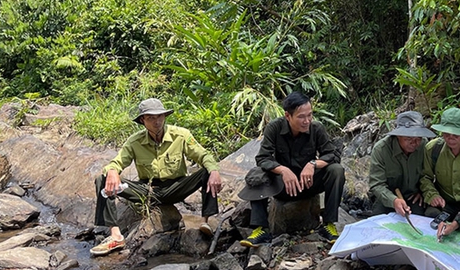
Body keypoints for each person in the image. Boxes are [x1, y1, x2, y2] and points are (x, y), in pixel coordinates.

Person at [91, 98, 223, 256]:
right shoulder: (134, 141)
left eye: (160, 116)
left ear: (165, 116)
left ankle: (205, 222)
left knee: (208, 171)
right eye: (151, 118)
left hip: (176, 187)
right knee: (102, 179)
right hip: (148, 190)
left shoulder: (180, 135)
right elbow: (118, 162)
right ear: (142, 120)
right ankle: (116, 236)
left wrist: (214, 171)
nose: (157, 121)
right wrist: (112, 171)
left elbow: (203, 155)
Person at [239, 92, 344, 246]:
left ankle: (328, 225)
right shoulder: (274, 128)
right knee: (257, 174)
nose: (307, 121)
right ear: (288, 116)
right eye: (301, 117)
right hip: (283, 187)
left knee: (336, 170)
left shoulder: (316, 129)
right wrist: (283, 170)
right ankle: (261, 229)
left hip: (308, 184)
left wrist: (313, 164)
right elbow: (262, 158)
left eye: (310, 115)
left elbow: (332, 155)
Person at [369, 111, 437, 217]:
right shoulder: (381, 150)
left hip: (413, 196)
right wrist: (394, 200)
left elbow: (426, 176)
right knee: (378, 221)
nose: (414, 143)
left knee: (421, 219)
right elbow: (377, 184)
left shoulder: (423, 145)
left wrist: (422, 192)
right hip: (387, 197)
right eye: (409, 139)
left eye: (418, 138)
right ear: (398, 136)